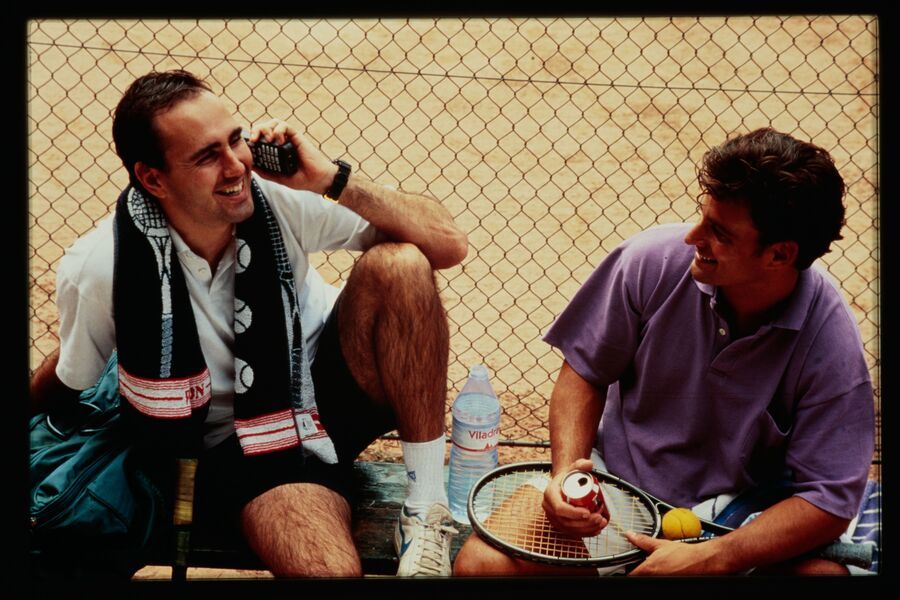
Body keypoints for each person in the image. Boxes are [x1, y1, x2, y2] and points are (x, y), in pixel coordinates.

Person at [29, 69, 468, 578]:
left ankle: (425, 509)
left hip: (326, 395)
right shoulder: (102, 265)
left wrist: (330, 179)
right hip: (234, 452)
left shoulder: (275, 195)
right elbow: (71, 372)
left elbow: (448, 244)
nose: (236, 164)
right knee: (329, 573)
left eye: (235, 139)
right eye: (207, 155)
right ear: (152, 178)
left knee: (402, 265)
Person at [453, 128, 875, 576]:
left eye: (719, 232)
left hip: (739, 524)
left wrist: (713, 558)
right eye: (702, 217)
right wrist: (566, 475)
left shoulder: (829, 337)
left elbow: (827, 501)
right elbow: (583, 372)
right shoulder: (650, 260)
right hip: (618, 489)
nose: (693, 236)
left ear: (779, 255)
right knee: (481, 565)